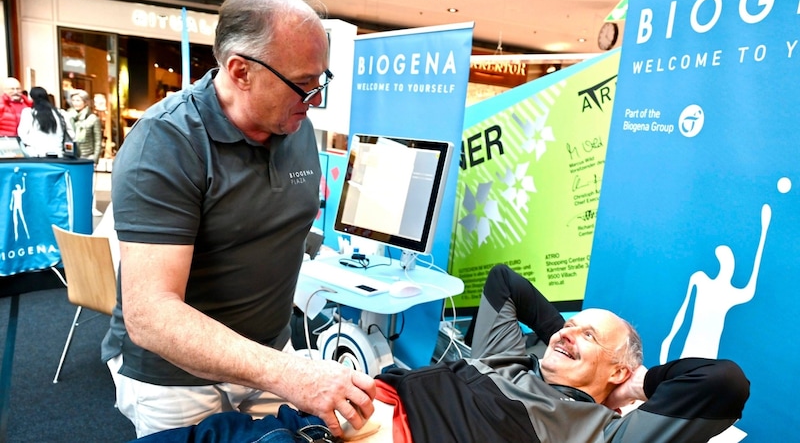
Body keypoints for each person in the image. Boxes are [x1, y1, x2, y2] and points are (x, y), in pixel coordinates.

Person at [100, 0, 374, 439]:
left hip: (269, 352)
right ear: (240, 71)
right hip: (175, 380)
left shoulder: (294, 123)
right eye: (304, 83)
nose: (316, 99)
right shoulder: (167, 142)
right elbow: (150, 314)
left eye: (321, 79)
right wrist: (290, 373)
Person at [132, 264, 750, 442]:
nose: (564, 335)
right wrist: (568, 335)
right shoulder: (510, 355)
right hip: (315, 414)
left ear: (619, 369)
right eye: (568, 327)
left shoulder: (596, 433)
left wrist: (636, 382)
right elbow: (505, 281)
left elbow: (721, 381)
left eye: (592, 337)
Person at [17, 86, 71, 157]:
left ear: (32, 98)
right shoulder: (61, 113)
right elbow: (71, 134)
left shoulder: (28, 113)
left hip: (35, 154)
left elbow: (22, 134)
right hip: (58, 154)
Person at [66, 89, 102, 163]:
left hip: (87, 156)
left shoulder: (93, 118)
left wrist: (95, 159)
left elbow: (98, 141)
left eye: (78, 100)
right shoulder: (68, 116)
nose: (75, 103)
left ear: (85, 102)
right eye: (73, 100)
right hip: (71, 156)